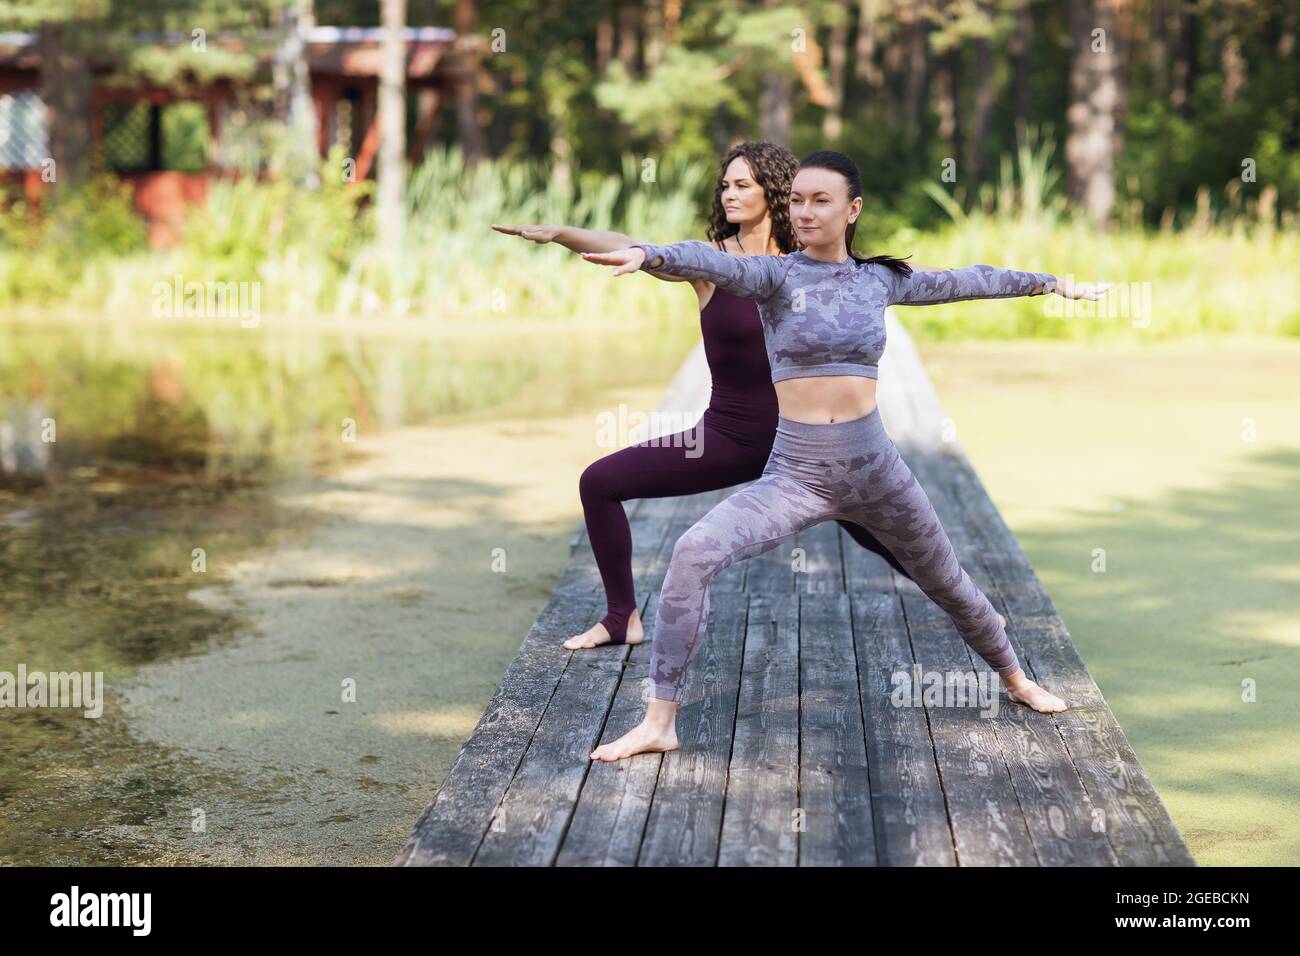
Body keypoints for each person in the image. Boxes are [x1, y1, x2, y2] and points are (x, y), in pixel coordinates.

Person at [580, 150, 1110, 762]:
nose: (803, 211)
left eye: (820, 200)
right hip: (795, 474)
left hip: (876, 472)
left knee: (949, 581)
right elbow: (705, 258)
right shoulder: (773, 277)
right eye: (797, 199)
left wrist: (1052, 284)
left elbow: (970, 279)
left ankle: (1017, 680)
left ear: (852, 209)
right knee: (692, 551)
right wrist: (651, 255)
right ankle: (658, 723)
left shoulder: (879, 279)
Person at [492, 142, 956, 652]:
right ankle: (620, 616)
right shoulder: (711, 262)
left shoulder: (806, 263)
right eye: (726, 184)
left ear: (773, 191)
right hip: (729, 438)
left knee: (878, 531)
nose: (729, 194)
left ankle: (971, 609)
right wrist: (561, 234)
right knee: (599, 482)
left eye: (743, 185)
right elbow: (632, 243)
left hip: (808, 446)